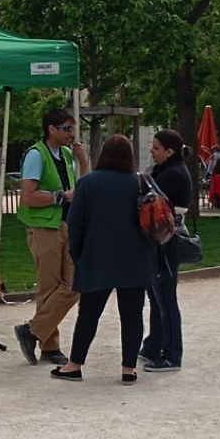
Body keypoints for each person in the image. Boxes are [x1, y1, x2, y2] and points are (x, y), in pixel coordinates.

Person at [53, 135, 156, 384]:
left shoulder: (88, 183)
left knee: (89, 313)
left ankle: (74, 364)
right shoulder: (141, 182)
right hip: (136, 256)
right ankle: (128, 368)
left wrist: (78, 254)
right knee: (132, 314)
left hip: (97, 256)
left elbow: (75, 223)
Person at [13, 109, 89, 367]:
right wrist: (61, 197)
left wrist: (84, 162)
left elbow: (82, 187)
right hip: (44, 227)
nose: (71, 133)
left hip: (67, 224)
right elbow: (28, 196)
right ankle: (50, 346)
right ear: (51, 129)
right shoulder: (36, 155)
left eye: (72, 128)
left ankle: (32, 331)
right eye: (66, 128)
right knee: (49, 287)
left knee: (75, 284)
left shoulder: (67, 154)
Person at [139, 129, 192, 373]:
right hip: (162, 240)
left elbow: (147, 201)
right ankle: (154, 345)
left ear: (169, 151)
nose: (152, 151)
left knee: (165, 298)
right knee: (157, 296)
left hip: (166, 241)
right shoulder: (169, 170)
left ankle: (171, 354)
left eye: (156, 147)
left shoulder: (172, 174)